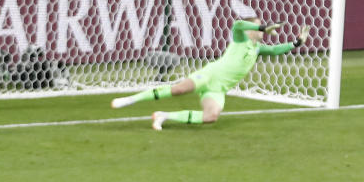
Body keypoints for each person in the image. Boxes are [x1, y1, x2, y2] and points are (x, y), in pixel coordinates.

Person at [112, 19, 311, 129]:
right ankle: (130, 99)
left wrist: (297, 42)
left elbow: (276, 50)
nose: (261, 31)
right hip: (209, 75)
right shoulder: (240, 40)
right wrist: (260, 27)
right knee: (179, 89)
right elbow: (237, 24)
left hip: (218, 89)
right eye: (258, 28)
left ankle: (164, 116)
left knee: (211, 117)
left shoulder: (257, 48)